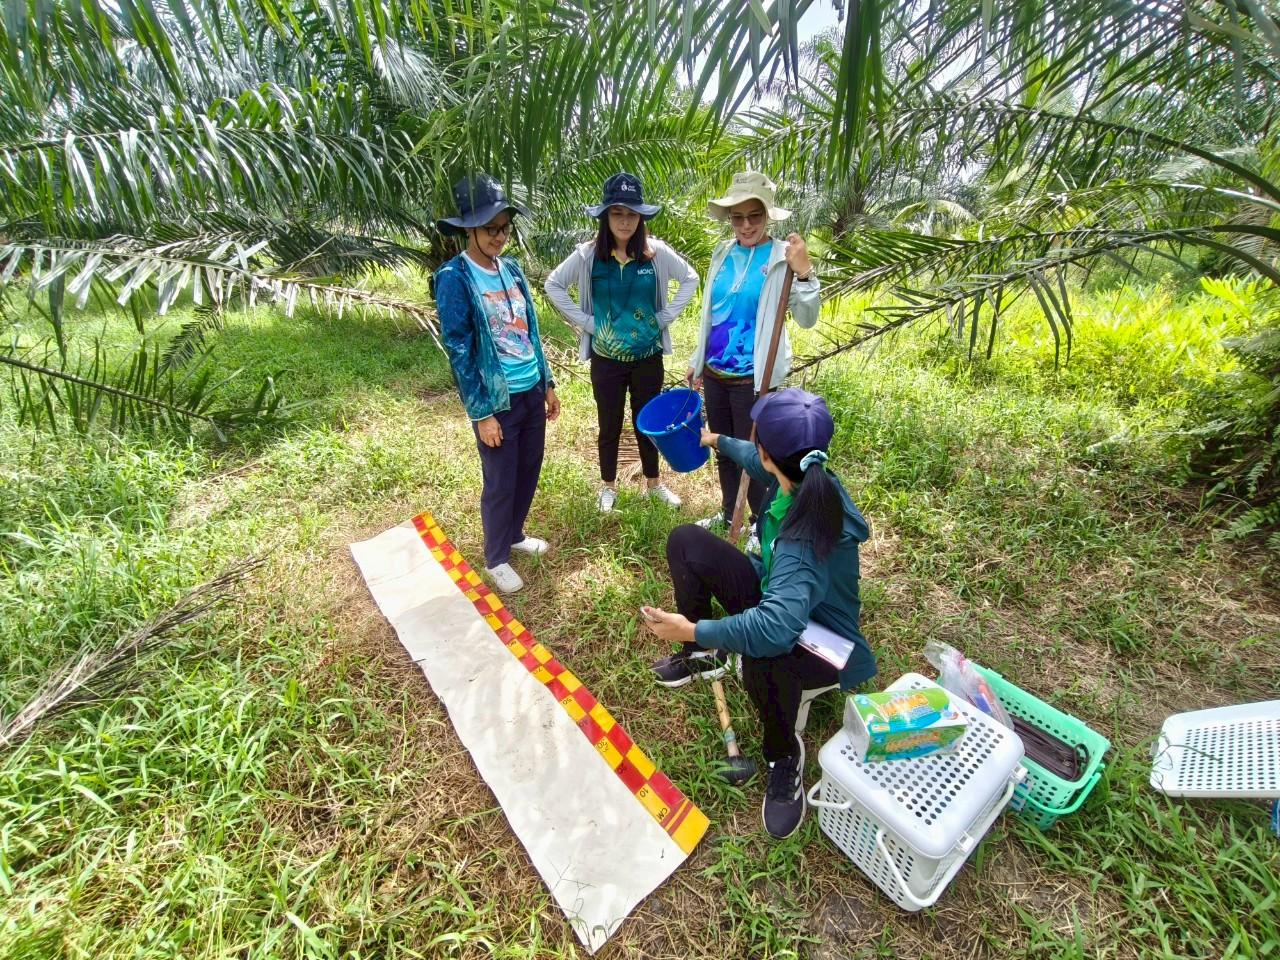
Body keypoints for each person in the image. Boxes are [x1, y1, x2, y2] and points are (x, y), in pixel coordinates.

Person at [640, 388, 876, 840]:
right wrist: (716, 441)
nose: (757, 452)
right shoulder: (803, 474)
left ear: (774, 457)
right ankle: (700, 656)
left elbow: (776, 629)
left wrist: (694, 627)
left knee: (761, 661)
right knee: (686, 541)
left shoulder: (801, 539)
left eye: (759, 444)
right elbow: (754, 457)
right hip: (782, 602)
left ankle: (784, 756)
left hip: (824, 643)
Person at [433, 173, 560, 595]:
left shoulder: (513, 270)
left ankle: (516, 535)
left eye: (504, 227)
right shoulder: (455, 276)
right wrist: (481, 413)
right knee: (501, 478)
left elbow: (532, 332)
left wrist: (548, 382)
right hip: (497, 398)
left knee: (528, 469)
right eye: (491, 228)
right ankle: (495, 557)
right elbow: (460, 348)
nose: (499, 236)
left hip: (529, 389)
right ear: (468, 229)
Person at [545, 172, 701, 512]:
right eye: (617, 213)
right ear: (605, 217)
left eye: (632, 214)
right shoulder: (589, 257)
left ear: (641, 217)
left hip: (648, 357)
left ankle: (654, 484)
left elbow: (690, 278)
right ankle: (608, 486)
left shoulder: (654, 254)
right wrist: (587, 322)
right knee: (609, 423)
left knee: (646, 421)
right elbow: (554, 284)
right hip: (607, 360)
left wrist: (664, 318)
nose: (625, 221)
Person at [685, 171, 820, 538]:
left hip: (754, 378)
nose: (745, 225)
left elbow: (808, 319)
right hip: (716, 373)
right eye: (737, 217)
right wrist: (698, 361)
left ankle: (761, 526)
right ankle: (731, 513)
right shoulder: (723, 252)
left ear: (767, 216)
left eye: (754, 216)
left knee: (756, 456)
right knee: (723, 448)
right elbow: (711, 313)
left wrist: (805, 272)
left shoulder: (782, 258)